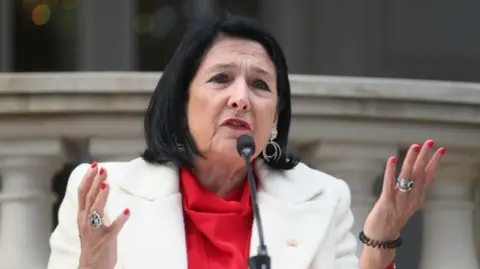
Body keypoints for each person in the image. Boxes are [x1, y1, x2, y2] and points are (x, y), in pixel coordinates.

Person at [47, 12, 446, 269]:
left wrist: (381, 241)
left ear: (274, 117)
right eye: (221, 78)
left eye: (259, 84)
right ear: (182, 101)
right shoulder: (103, 194)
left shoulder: (324, 198)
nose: (240, 97)